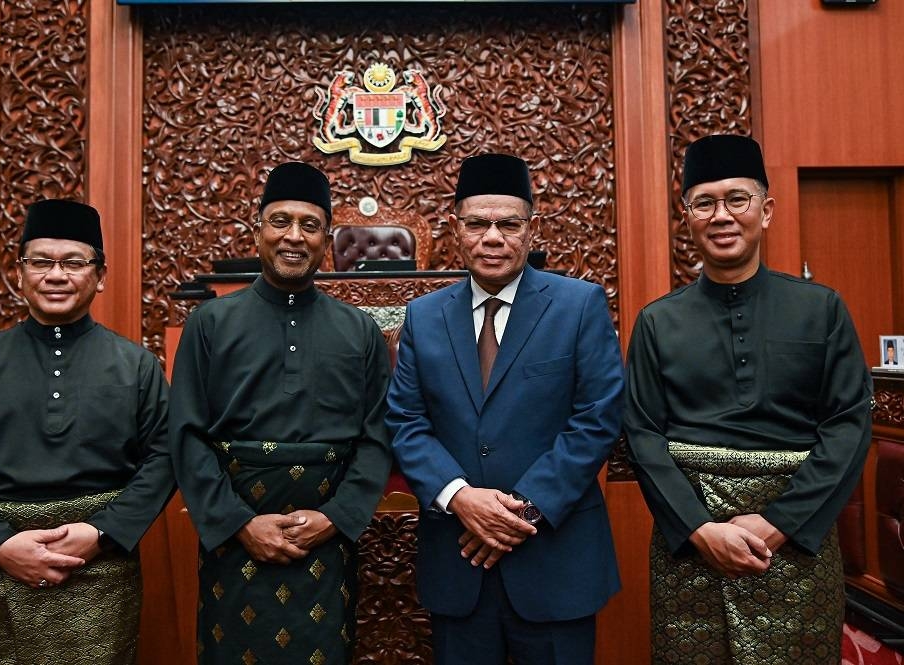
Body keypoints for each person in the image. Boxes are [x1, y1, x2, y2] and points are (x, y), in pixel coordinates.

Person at [624, 134, 872, 664]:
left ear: (767, 210)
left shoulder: (822, 310)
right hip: (692, 549)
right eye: (704, 203)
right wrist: (699, 529)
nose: (722, 216)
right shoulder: (656, 322)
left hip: (796, 540)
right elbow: (642, 434)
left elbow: (848, 426)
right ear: (687, 217)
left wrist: (779, 523)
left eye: (737, 199)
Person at [385, 153, 623, 665]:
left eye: (508, 224)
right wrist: (462, 499)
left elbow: (597, 417)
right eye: (477, 223)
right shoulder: (424, 316)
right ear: (456, 229)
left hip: (554, 561)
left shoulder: (578, 304)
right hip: (458, 557)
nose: (492, 237)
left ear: (530, 230)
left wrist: (519, 512)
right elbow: (405, 420)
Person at [0, 199, 174, 664]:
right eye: (41, 261)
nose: (55, 275)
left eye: (74, 263)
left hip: (100, 568)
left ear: (100, 276)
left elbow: (163, 458)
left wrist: (100, 532)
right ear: (20, 273)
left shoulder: (136, 365)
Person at [169, 162, 393, 665]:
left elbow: (378, 436)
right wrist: (239, 523)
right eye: (280, 221)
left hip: (327, 541)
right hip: (235, 541)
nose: (294, 237)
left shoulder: (360, 331)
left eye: (309, 226)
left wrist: (336, 516)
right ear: (259, 231)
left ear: (327, 240)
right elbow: (185, 433)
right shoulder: (209, 323)